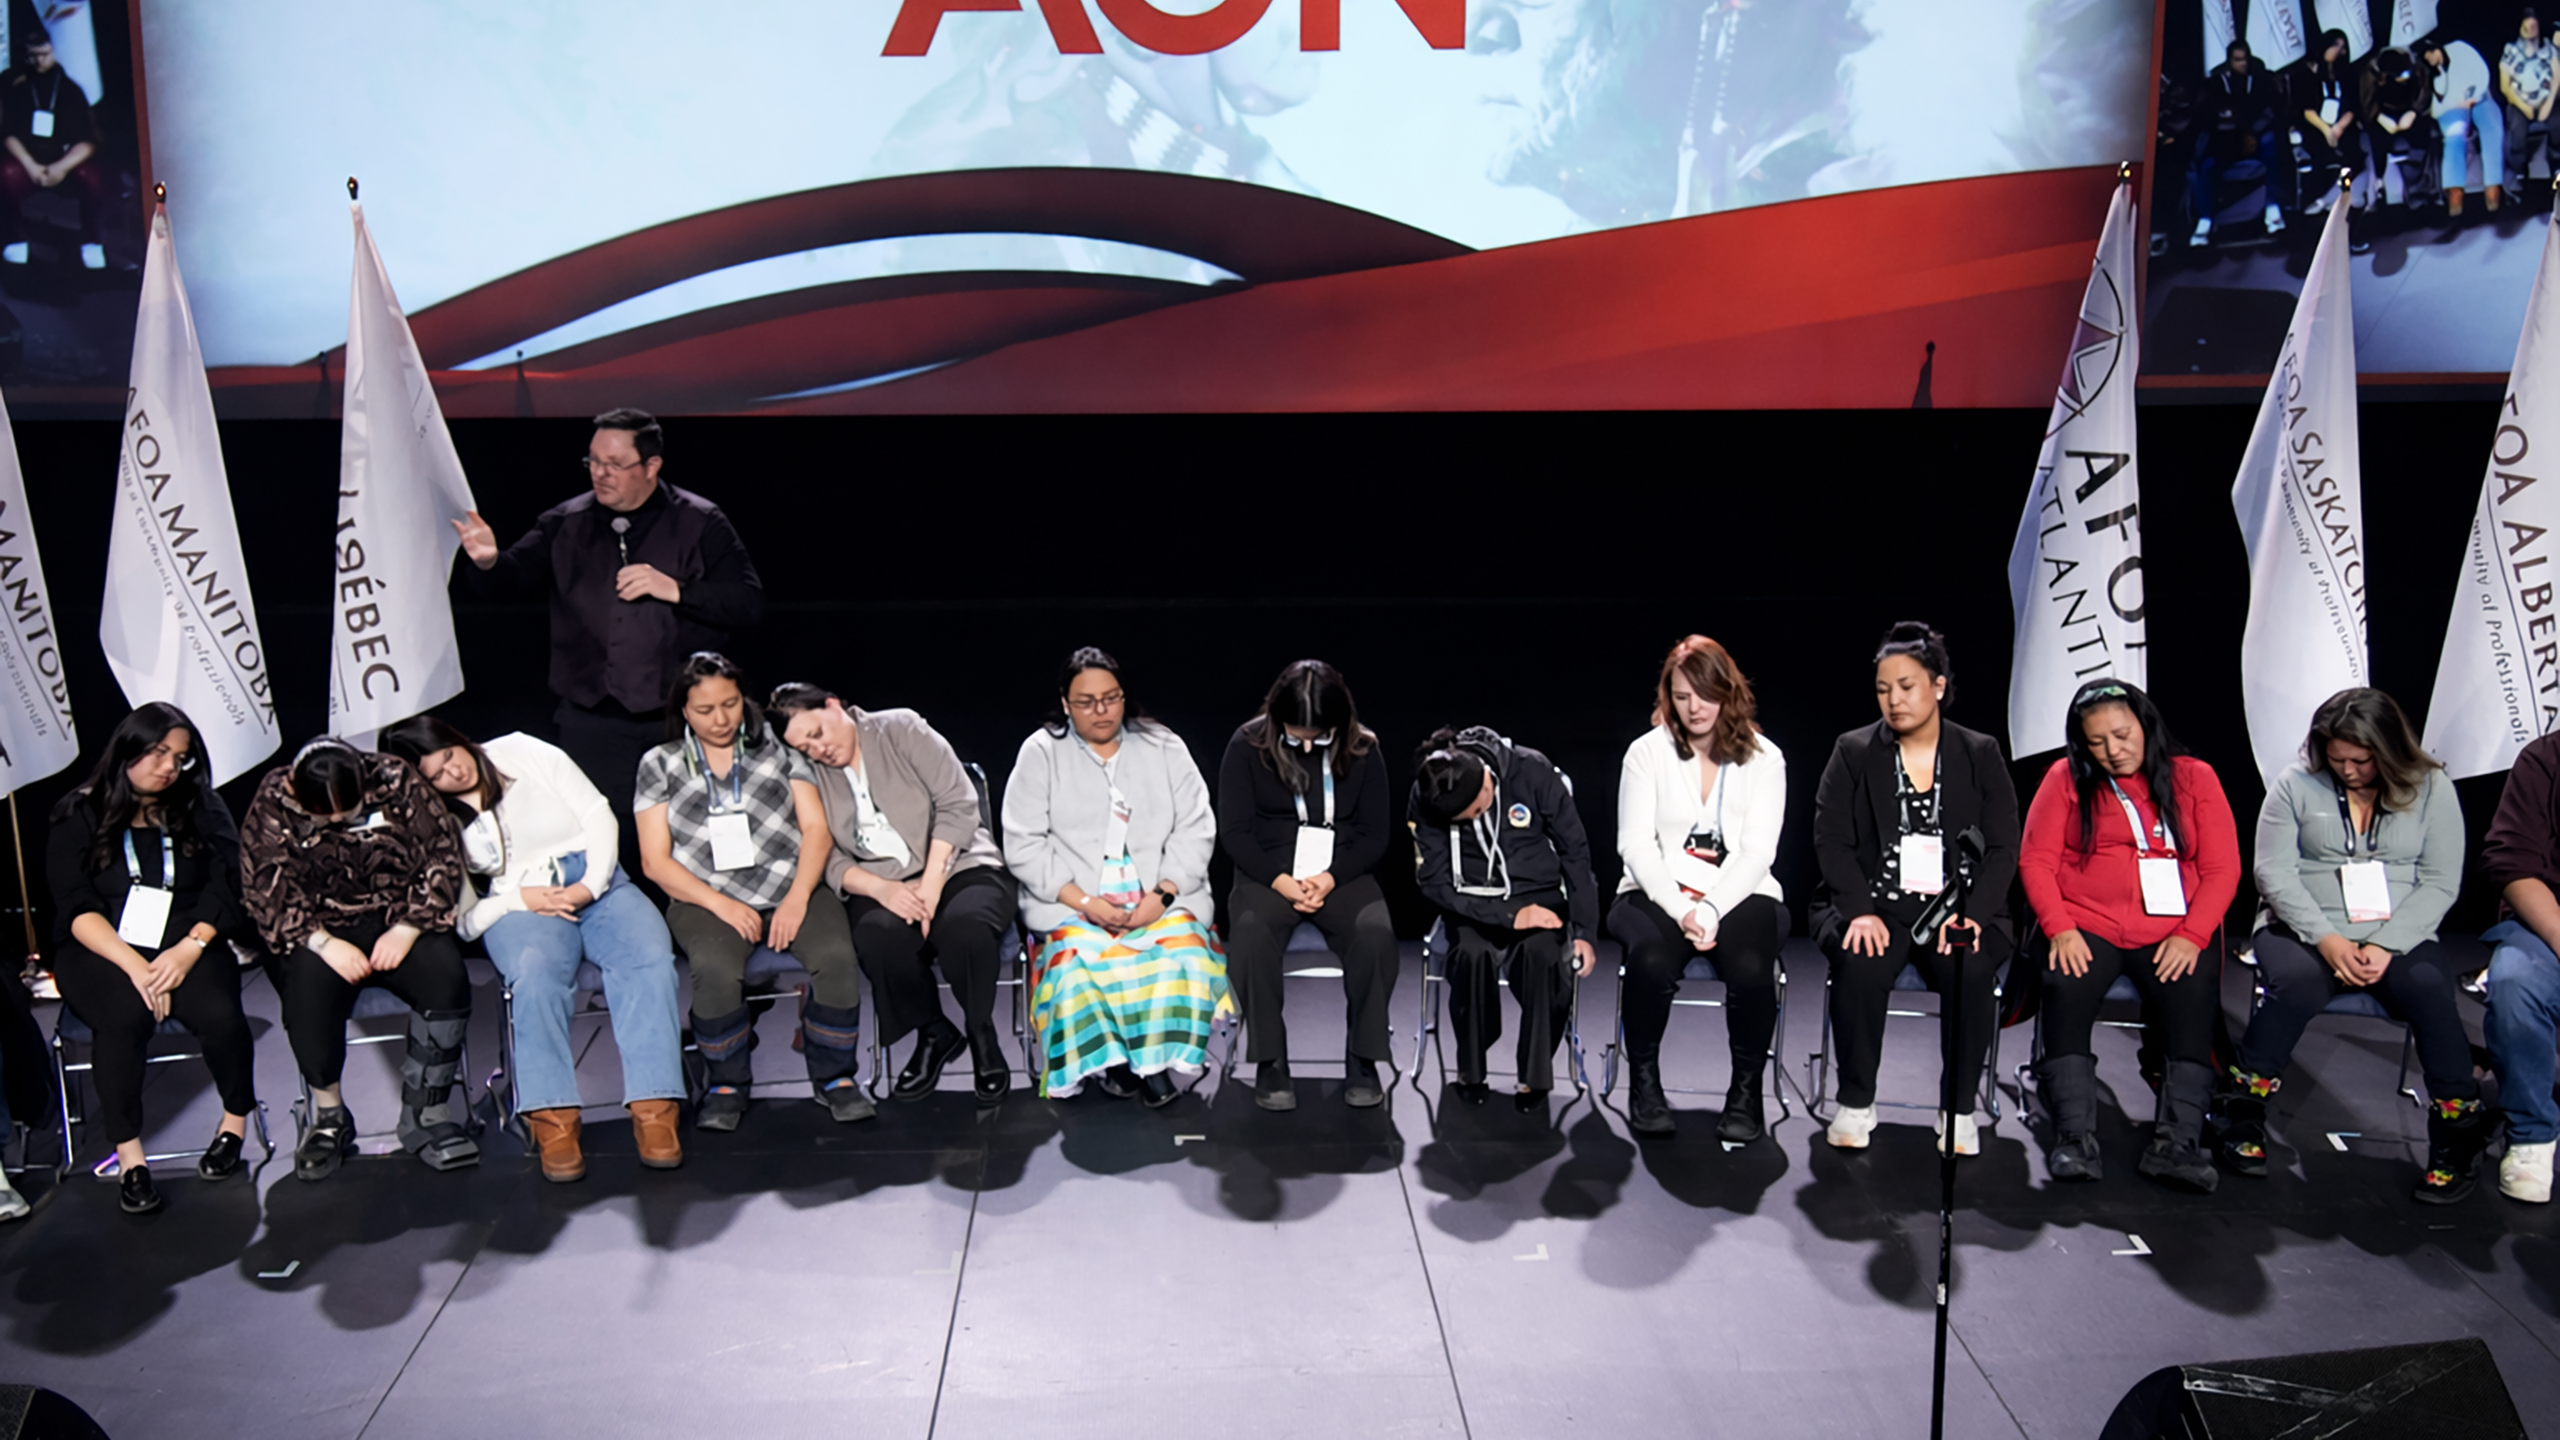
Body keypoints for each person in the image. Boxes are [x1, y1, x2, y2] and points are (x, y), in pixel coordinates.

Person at [453, 410, 765, 880]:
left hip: (675, 720)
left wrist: (676, 589)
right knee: (601, 834)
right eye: (593, 461)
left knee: (684, 830)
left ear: (651, 466)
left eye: (614, 464)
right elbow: (508, 582)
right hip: (593, 719)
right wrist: (489, 561)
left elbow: (747, 603)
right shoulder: (565, 521)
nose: (601, 473)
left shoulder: (699, 520)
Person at [380, 716, 686, 1183]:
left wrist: (589, 885)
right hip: (520, 903)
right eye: (436, 775)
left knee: (648, 961)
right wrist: (518, 899)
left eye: (449, 756)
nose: (453, 773)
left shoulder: (521, 750)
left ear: (457, 738)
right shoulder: (432, 820)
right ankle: (554, 1121)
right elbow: (464, 922)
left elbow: (596, 813)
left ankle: (654, 1108)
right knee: (537, 978)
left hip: (598, 880)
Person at [2227, 688, 2486, 1202]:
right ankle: (2240, 1116)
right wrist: (2326, 940)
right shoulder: (2294, 783)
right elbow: (2272, 873)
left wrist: (2386, 946)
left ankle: (2458, 1140)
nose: (2346, 769)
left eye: (2361, 761)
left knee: (2431, 990)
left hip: (2398, 935)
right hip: (2303, 927)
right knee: (2296, 984)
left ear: (2389, 752)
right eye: (2336, 757)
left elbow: (2438, 881)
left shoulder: (2432, 788)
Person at [2017, 681, 2240, 1193]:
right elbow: (2037, 860)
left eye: (2121, 735)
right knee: (2066, 983)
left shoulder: (2195, 778)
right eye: (2097, 742)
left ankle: (2178, 1144)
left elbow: (2223, 868)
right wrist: (2060, 928)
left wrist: (2192, 934)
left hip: (2172, 929)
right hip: (2087, 924)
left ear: (2145, 726)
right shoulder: (2065, 778)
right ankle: (2075, 1137)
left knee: (2192, 992)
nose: (2113, 751)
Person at [1811, 622, 2019, 1156]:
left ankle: (1958, 1108)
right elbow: (1831, 839)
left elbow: (2001, 847)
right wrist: (1857, 910)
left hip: (1959, 908)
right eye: (1884, 690)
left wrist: (1973, 915)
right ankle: (1856, 1100)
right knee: (1860, 961)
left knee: (1970, 969)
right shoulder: (1854, 751)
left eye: (1906, 686)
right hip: (1875, 905)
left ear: (1939, 686)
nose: (1894, 700)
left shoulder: (1979, 751)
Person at [636, 652, 866, 1130]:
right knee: (715, 969)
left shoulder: (780, 750)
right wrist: (721, 903)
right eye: (705, 710)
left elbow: (816, 829)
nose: (720, 719)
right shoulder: (660, 764)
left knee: (837, 957)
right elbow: (655, 861)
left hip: (789, 885)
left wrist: (798, 897)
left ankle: (835, 1078)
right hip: (706, 897)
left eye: (731, 704)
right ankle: (726, 1083)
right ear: (683, 710)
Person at [44, 705, 258, 1215]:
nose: (168, 766)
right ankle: (131, 1158)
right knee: (123, 1017)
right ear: (127, 749)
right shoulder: (79, 811)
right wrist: (137, 969)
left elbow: (228, 879)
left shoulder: (199, 805)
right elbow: (75, 903)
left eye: (180, 758)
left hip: (187, 936)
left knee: (221, 1015)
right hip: (102, 945)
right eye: (158, 752)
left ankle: (234, 1124)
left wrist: (191, 947)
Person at [768, 683, 1017, 1106]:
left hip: (957, 863)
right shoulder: (809, 774)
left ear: (833, 706)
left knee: (966, 929)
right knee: (878, 940)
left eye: (817, 734)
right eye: (805, 748)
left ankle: (981, 1033)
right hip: (879, 880)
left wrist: (933, 884)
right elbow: (825, 855)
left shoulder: (899, 727)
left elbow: (958, 803)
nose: (817, 750)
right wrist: (882, 888)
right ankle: (935, 1032)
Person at [242, 738, 478, 1181]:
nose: (335, 820)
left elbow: (441, 855)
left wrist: (408, 928)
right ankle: (329, 1116)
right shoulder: (274, 796)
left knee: (445, 978)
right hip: (320, 928)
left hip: (398, 915)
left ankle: (426, 1112)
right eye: (323, 813)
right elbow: (264, 885)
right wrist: (322, 942)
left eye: (344, 810)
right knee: (307, 993)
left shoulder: (394, 777)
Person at [1002, 647, 1227, 1105]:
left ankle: (1153, 1063)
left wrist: (1161, 896)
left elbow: (1196, 827)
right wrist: (1087, 903)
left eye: (1111, 698)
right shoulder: (1041, 752)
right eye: (1086, 701)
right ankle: (1119, 1063)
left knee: (1178, 958)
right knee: (1079, 967)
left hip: (1161, 895)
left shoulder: (1163, 745)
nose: (1101, 711)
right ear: (1065, 703)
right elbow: (1023, 843)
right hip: (1073, 900)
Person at [1607, 635, 1787, 1140]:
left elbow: (1757, 853)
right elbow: (1636, 846)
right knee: (1648, 959)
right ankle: (1644, 1084)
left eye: (1704, 695)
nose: (1694, 708)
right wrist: (1678, 906)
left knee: (1753, 968)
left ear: (1727, 692)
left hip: (1742, 894)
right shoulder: (1646, 753)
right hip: (1654, 890)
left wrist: (1707, 910)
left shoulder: (1764, 758)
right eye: (1682, 696)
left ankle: (1746, 1094)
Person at [1218, 659, 1395, 1113]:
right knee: (1252, 935)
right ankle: (1270, 1059)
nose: (1309, 742)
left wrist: (1329, 878)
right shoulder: (1246, 744)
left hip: (1340, 870)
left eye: (1319, 734)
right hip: (1269, 872)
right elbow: (1235, 831)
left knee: (1374, 934)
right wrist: (1282, 882)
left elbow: (1376, 833)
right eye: (1298, 733)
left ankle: (1362, 1056)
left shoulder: (1363, 747)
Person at [1413, 726, 1596, 1112]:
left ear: (1485, 779)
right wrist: (1509, 916)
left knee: (1546, 959)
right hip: (1472, 903)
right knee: (1470, 957)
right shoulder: (1428, 792)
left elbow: (1575, 853)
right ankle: (1471, 1070)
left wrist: (1584, 929)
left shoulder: (1532, 771)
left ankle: (1535, 1075)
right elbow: (1434, 882)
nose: (1475, 818)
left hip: (1538, 897)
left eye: (1478, 810)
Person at [2452, 729, 2560, 1204]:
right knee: (2516, 982)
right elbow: (2511, 863)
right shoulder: (2546, 758)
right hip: (2549, 923)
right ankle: (2533, 1135)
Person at [0, 27, 106, 271]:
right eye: (33, 55)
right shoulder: (19, 88)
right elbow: (9, 135)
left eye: (44, 54)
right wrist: (31, 165)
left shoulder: (70, 90)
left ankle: (92, 241)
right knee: (6, 173)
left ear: (53, 51)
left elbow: (87, 141)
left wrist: (60, 167)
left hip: (64, 158)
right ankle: (15, 238)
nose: (39, 60)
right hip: (29, 159)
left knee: (92, 179)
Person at [2189, 38, 2290, 246]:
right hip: (2226, 142)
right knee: (2204, 165)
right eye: (2237, 60)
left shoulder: (2261, 80)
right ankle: (2206, 220)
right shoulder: (2215, 85)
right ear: (2229, 62)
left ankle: (2272, 209)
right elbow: (2209, 120)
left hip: (2254, 138)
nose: (2242, 64)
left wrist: (2252, 133)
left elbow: (2269, 111)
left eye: (2245, 59)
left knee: (2270, 143)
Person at [2422, 33, 2503, 215]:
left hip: (2479, 98)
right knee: (2454, 134)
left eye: (2432, 54)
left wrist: (2471, 99)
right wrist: (2458, 105)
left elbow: (2482, 74)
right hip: (2454, 109)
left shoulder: (2459, 49)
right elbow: (2435, 109)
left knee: (2491, 126)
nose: (2432, 60)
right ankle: (2455, 192)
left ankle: (2493, 187)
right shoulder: (2431, 75)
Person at [2292, 30, 2366, 210]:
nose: (2338, 51)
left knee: (2354, 154)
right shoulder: (2305, 73)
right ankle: (2320, 198)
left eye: (2342, 47)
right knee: (2321, 153)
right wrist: (2327, 130)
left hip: (2342, 127)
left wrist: (2339, 127)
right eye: (2335, 45)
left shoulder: (2347, 73)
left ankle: (2336, 197)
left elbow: (2352, 106)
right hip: (2316, 127)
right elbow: (2306, 109)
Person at [2360, 46, 2432, 210]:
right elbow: (2367, 103)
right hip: (2383, 112)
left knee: (2421, 134)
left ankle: (2419, 186)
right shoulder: (2371, 71)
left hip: (2408, 108)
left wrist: (2413, 112)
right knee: (2378, 140)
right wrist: (2381, 118)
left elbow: (2424, 91)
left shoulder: (2416, 66)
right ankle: (2379, 185)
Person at [2503, 8, 2558, 193]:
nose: (2531, 29)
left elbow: (2557, 78)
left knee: (2557, 122)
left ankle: (2556, 167)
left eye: (2534, 25)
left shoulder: (2548, 49)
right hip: (2520, 101)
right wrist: (2524, 106)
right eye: (2527, 25)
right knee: (2517, 130)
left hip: (2546, 99)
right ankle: (2517, 171)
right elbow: (2505, 85)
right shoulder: (2511, 51)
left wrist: (2548, 103)